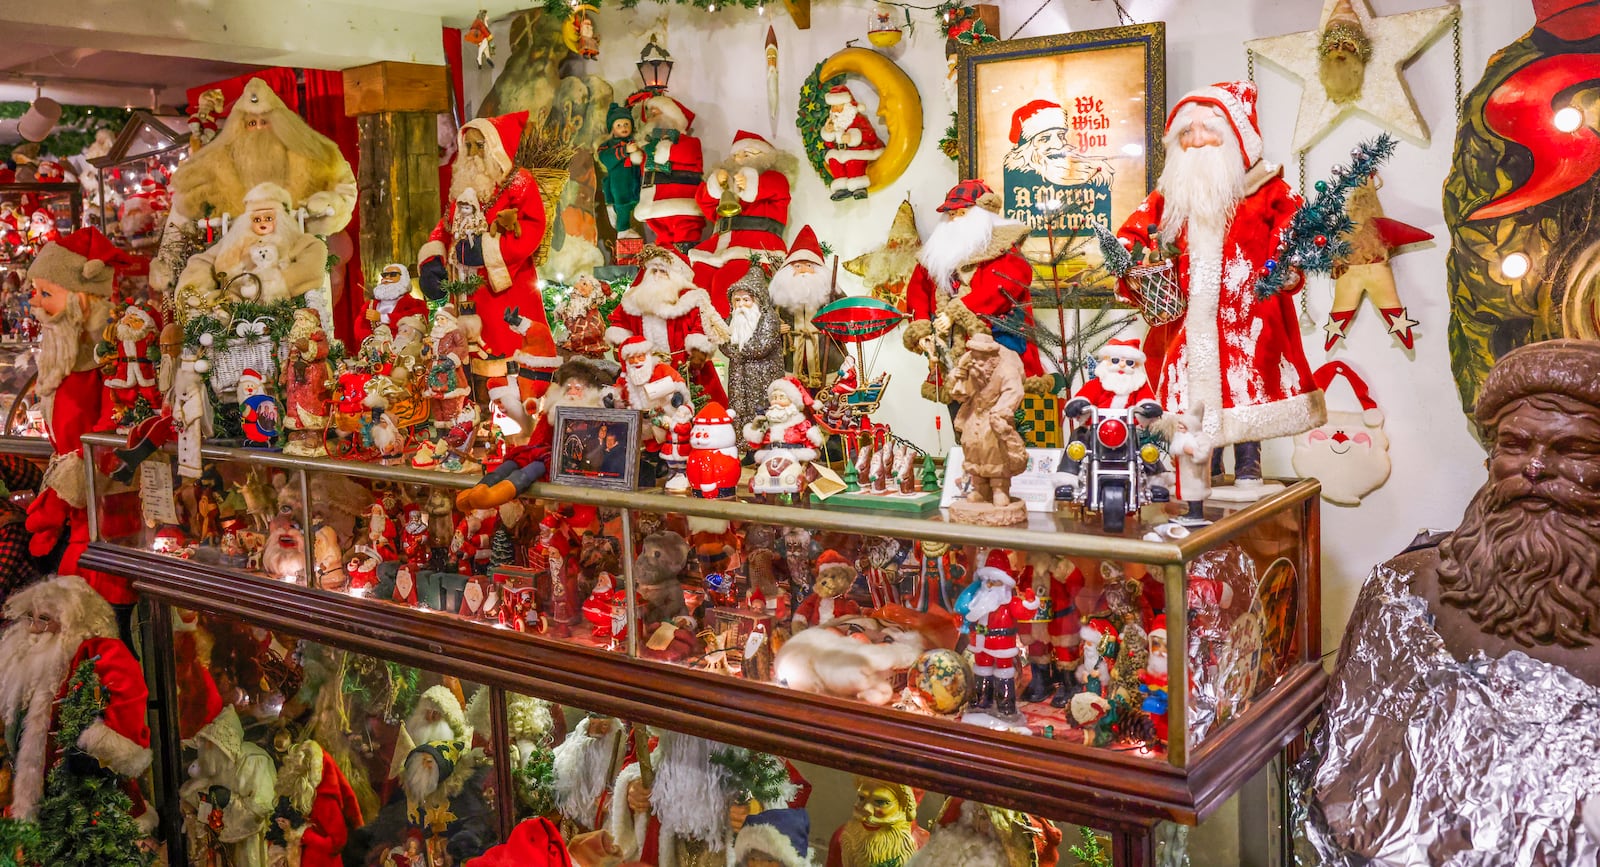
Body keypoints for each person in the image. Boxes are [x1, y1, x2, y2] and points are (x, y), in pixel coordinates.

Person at [1306, 339, 1600, 863]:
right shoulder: (1406, 589)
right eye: (1516, 444)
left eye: (1573, 450)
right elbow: (1346, 771)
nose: (1534, 468)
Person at [1114, 82, 1324, 491]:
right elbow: (1134, 233)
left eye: (1208, 130)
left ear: (1235, 136)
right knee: (1191, 388)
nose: (1196, 141)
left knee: (1251, 384)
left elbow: (1298, 233)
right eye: (1186, 133)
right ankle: (1203, 463)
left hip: (1249, 315)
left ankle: (1249, 460)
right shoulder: (1169, 195)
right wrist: (1130, 260)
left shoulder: (1268, 189)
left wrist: (1288, 268)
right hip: (1186, 317)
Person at [153, 77, 356, 289]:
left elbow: (344, 187)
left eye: (265, 122)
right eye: (252, 123)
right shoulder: (213, 164)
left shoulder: (316, 157)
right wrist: (168, 262)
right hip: (236, 264)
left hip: (295, 258)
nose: (259, 128)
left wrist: (330, 206)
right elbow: (182, 209)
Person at [0, 575, 155, 831]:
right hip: (39, 795)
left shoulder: (99, 652)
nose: (33, 629)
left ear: (72, 622)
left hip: (88, 794)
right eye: (29, 616)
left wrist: (98, 745)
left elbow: (127, 697)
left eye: (44, 619)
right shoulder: (25, 660)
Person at [418, 111, 553, 364]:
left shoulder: (518, 181)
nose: (472, 153)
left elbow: (533, 226)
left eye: (479, 146)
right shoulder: (462, 188)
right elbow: (446, 225)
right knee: (466, 354)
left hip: (503, 289)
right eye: (467, 146)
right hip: (464, 289)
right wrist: (432, 261)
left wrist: (487, 249)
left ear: (495, 147)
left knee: (505, 352)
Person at [902, 181, 1046, 403]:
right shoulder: (936, 253)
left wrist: (955, 312)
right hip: (950, 357)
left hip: (996, 354)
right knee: (960, 421)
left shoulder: (1004, 251)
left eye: (962, 213)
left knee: (998, 422)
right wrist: (922, 331)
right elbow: (918, 291)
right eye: (951, 214)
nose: (955, 219)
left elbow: (1000, 289)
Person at [605, 244, 729, 405]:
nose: (657, 276)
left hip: (685, 367)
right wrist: (620, 343)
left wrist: (699, 350)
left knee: (695, 405)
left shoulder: (689, 299)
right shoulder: (635, 298)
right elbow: (620, 321)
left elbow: (701, 325)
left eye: (663, 271)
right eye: (653, 271)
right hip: (645, 367)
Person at [691, 131, 793, 313]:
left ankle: (728, 335)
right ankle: (701, 333)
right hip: (717, 248)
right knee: (699, 279)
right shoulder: (729, 190)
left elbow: (772, 187)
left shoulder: (775, 179)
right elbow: (705, 203)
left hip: (755, 250)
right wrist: (715, 184)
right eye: (735, 155)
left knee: (727, 282)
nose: (739, 160)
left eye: (747, 154)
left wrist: (749, 182)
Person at [956, 551, 1039, 719]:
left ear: (1004, 583)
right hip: (981, 643)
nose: (989, 585)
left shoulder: (1009, 603)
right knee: (981, 670)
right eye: (987, 581)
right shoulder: (977, 602)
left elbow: (1024, 612)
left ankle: (1005, 703)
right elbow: (969, 616)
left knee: (1004, 671)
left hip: (1002, 645)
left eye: (995, 581)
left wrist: (1031, 603)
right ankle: (982, 700)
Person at [629, 93, 707, 248]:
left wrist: (663, 149)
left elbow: (688, 154)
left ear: (672, 116)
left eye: (656, 111)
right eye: (650, 111)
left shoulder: (689, 142)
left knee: (685, 245)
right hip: (655, 207)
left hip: (683, 207)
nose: (651, 115)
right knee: (663, 248)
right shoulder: (648, 147)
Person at [821, 85, 884, 200]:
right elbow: (829, 145)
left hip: (859, 149)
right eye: (833, 107)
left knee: (852, 161)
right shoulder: (833, 122)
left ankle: (858, 186)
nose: (834, 110)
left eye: (837, 106)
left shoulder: (858, 119)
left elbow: (870, 135)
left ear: (847, 106)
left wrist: (852, 137)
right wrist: (828, 133)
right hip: (841, 151)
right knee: (833, 158)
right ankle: (842, 187)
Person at [597, 104, 644, 237]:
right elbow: (606, 159)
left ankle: (636, 231)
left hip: (635, 180)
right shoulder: (607, 145)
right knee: (622, 204)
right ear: (612, 127)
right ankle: (623, 231)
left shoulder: (635, 141)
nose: (623, 127)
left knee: (638, 202)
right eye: (619, 125)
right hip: (619, 182)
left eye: (626, 124)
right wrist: (625, 151)